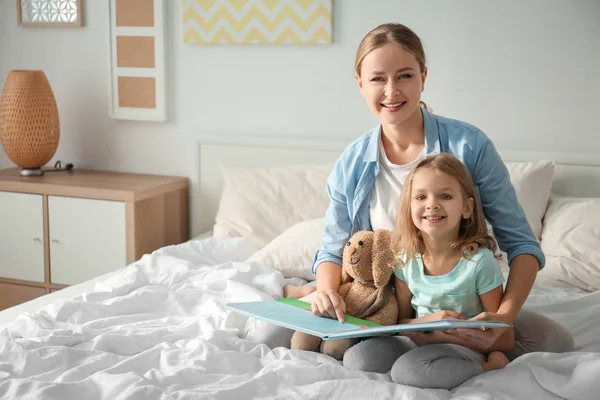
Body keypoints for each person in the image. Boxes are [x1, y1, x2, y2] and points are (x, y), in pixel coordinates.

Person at [289, 22, 573, 372]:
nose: (391, 91)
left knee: (555, 343)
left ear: (423, 76)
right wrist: (325, 292)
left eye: (404, 76)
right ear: (360, 83)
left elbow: (522, 245)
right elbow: (333, 249)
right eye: (378, 78)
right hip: (385, 303)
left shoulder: (471, 147)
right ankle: (299, 293)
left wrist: (500, 320)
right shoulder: (353, 161)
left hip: (455, 298)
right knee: (286, 338)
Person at [387, 152, 510, 388]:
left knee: (407, 373)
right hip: (418, 343)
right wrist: (430, 323)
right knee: (360, 358)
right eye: (421, 196)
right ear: (409, 207)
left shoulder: (480, 263)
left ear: (466, 207)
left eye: (445, 195)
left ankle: (490, 368)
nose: (432, 204)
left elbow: (503, 338)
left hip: (465, 347)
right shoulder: (405, 259)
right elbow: (401, 322)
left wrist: (444, 335)